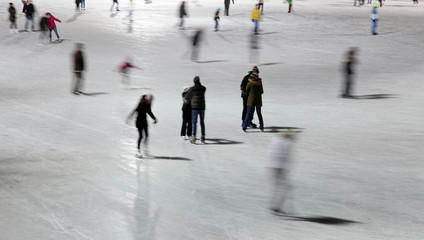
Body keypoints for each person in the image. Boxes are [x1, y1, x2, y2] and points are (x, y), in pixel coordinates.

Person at [269, 133, 295, 214]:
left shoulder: (275, 140)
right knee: (285, 188)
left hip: (272, 166)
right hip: (279, 168)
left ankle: (274, 204)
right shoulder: (287, 143)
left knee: (278, 187)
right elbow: (284, 156)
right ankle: (277, 206)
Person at [187, 76, 206, 144]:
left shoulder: (192, 89)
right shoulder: (203, 88)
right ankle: (203, 136)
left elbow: (187, 97)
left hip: (194, 108)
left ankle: (194, 136)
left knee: (194, 122)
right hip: (202, 107)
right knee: (202, 122)